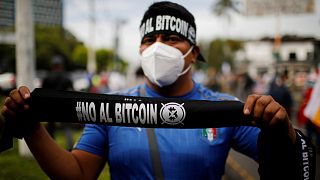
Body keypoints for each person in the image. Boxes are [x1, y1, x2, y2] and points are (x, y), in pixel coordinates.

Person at [0, 1, 310, 179]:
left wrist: (281, 128)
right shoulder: (110, 107)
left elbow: (287, 163)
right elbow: (78, 173)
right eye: (150, 40)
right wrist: (32, 130)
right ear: (139, 48)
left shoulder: (226, 108)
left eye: (172, 38)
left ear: (193, 51)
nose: (158, 47)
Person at [42, 55, 74, 149]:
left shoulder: (48, 77)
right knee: (67, 128)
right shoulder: (66, 77)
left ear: (52, 65)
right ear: (61, 65)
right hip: (64, 106)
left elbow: (43, 93)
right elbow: (72, 92)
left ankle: (51, 148)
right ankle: (70, 148)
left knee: (51, 128)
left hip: (51, 106)